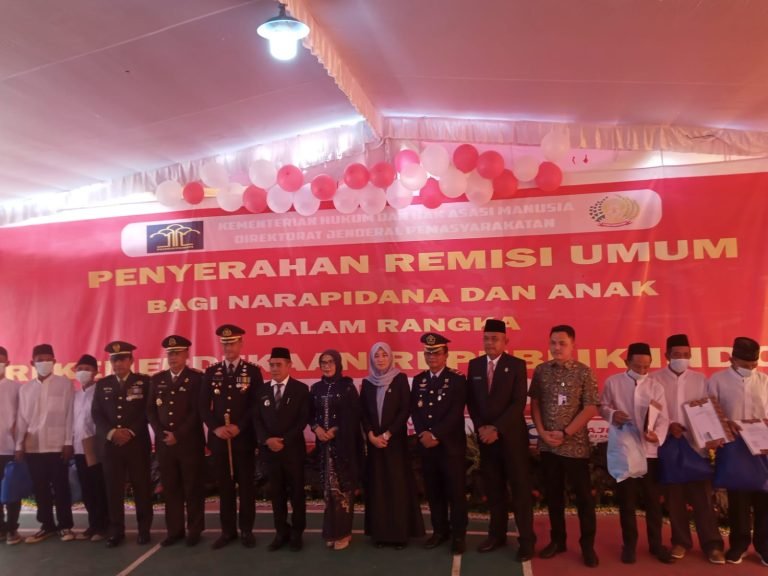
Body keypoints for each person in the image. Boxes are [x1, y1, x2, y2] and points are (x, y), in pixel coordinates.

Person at [650, 334, 725, 564]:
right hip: (669, 445)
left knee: (703, 498)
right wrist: (669, 425)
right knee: (675, 498)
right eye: (676, 354)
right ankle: (680, 541)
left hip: (696, 446)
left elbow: (708, 411)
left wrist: (712, 436)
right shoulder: (654, 380)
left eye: (686, 355)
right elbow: (651, 412)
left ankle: (712, 545)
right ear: (667, 355)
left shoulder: (701, 380)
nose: (681, 358)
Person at [529, 325, 599, 567]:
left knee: (584, 499)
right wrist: (541, 433)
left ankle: (587, 546)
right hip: (549, 447)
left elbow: (591, 407)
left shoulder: (584, 372)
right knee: (554, 497)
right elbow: (535, 404)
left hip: (575, 447)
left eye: (562, 343)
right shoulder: (541, 371)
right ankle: (558, 541)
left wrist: (565, 432)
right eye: (553, 343)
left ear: (572, 345)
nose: (557, 348)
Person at [466, 319, 536, 561]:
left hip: (512, 440)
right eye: (486, 338)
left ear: (506, 341)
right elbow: (471, 401)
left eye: (495, 338)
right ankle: (497, 536)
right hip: (487, 441)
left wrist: (496, 428)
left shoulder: (516, 365)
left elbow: (518, 403)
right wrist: (481, 428)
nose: (490, 343)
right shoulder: (475, 365)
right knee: (494, 490)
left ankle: (526, 541)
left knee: (520, 491)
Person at [600, 342, 673, 564]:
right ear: (626, 362)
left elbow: (664, 418)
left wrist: (656, 436)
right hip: (625, 448)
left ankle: (656, 545)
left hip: (649, 452)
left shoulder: (656, 386)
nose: (642, 370)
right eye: (637, 366)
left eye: (646, 366)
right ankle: (629, 545)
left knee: (653, 501)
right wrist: (612, 414)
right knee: (627, 501)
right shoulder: (613, 382)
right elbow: (602, 406)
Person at [201, 324, 263, 550]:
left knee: (246, 488)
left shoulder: (252, 372)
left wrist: (240, 426)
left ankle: (246, 530)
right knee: (225, 488)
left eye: (232, 343)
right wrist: (216, 428)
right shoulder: (211, 372)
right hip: (220, 441)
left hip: (243, 440)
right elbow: (202, 406)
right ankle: (227, 531)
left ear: (241, 343)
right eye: (225, 344)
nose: (228, 347)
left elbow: (257, 405)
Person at [707, 336, 768, 565]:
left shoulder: (764, 381)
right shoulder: (717, 380)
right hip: (733, 446)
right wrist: (725, 423)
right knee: (738, 498)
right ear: (732, 359)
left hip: (762, 448)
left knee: (764, 498)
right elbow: (709, 411)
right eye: (745, 365)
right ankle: (739, 545)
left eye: (753, 365)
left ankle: (764, 546)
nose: (750, 369)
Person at [360, 342, 424, 549]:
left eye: (384, 355)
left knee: (397, 487)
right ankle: (380, 535)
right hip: (375, 445)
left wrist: (388, 434)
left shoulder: (400, 379)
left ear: (390, 357)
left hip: (394, 443)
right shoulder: (367, 383)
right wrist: (371, 435)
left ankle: (399, 536)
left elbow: (405, 410)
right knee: (378, 488)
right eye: (376, 356)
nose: (380, 359)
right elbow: (363, 413)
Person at [91, 341, 153, 547]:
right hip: (111, 446)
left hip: (137, 444)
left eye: (121, 359)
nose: (117, 364)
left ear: (131, 360)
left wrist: (130, 431)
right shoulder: (103, 384)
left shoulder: (144, 382)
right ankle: (116, 530)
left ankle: (144, 530)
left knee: (141, 488)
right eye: (114, 360)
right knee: (113, 490)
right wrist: (112, 433)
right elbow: (96, 413)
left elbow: (148, 411)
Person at [411, 333, 468, 555]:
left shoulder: (457, 379)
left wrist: (435, 434)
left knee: (455, 493)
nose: (432, 357)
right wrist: (423, 434)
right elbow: (415, 411)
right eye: (428, 353)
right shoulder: (419, 380)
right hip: (427, 446)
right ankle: (439, 531)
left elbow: (455, 412)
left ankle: (459, 535)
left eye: (436, 353)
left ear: (446, 354)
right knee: (433, 491)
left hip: (450, 447)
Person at [148, 335, 205, 547]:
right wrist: (161, 433)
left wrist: (178, 434)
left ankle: (195, 529)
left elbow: (197, 411)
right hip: (165, 444)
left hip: (189, 443)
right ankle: (174, 530)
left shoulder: (197, 379)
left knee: (192, 487)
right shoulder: (157, 379)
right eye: (170, 353)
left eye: (177, 353)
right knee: (170, 488)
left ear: (186, 354)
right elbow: (150, 411)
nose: (173, 357)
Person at [16, 343, 75, 544]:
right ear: (32, 363)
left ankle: (65, 525)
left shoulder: (64, 384)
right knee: (40, 489)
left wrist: (68, 442)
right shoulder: (25, 389)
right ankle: (47, 525)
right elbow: (22, 419)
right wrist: (19, 445)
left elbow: (69, 415)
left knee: (61, 487)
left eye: (48, 359)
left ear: (55, 361)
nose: (44, 363)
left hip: (57, 446)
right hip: (33, 447)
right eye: (40, 360)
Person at [254, 347, 310, 552]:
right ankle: (281, 532)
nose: (275, 368)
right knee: (276, 494)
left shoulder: (301, 389)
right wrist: (267, 440)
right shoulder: (261, 390)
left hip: (292, 451)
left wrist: (283, 440)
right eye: (272, 365)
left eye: (279, 365)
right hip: (270, 452)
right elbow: (256, 419)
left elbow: (303, 420)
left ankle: (297, 533)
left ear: (289, 365)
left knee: (297, 494)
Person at [309, 349, 361, 551]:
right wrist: (317, 428)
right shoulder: (316, 388)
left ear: (338, 364)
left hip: (343, 446)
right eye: (323, 362)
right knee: (328, 491)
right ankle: (331, 532)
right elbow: (309, 414)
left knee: (342, 491)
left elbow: (353, 415)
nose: (327, 366)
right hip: (324, 447)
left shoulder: (347, 387)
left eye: (330, 362)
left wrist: (335, 430)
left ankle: (344, 533)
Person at [72, 354, 109, 542]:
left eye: (87, 369)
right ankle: (93, 524)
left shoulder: (100, 392)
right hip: (79, 448)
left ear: (95, 371)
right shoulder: (75, 395)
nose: (83, 372)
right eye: (80, 369)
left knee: (99, 487)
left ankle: (103, 526)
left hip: (96, 447)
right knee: (86, 489)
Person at [0, 346, 22, 545]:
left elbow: (22, 419)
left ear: (7, 363)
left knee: (12, 491)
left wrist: (19, 445)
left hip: (10, 448)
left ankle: (12, 528)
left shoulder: (17, 388)